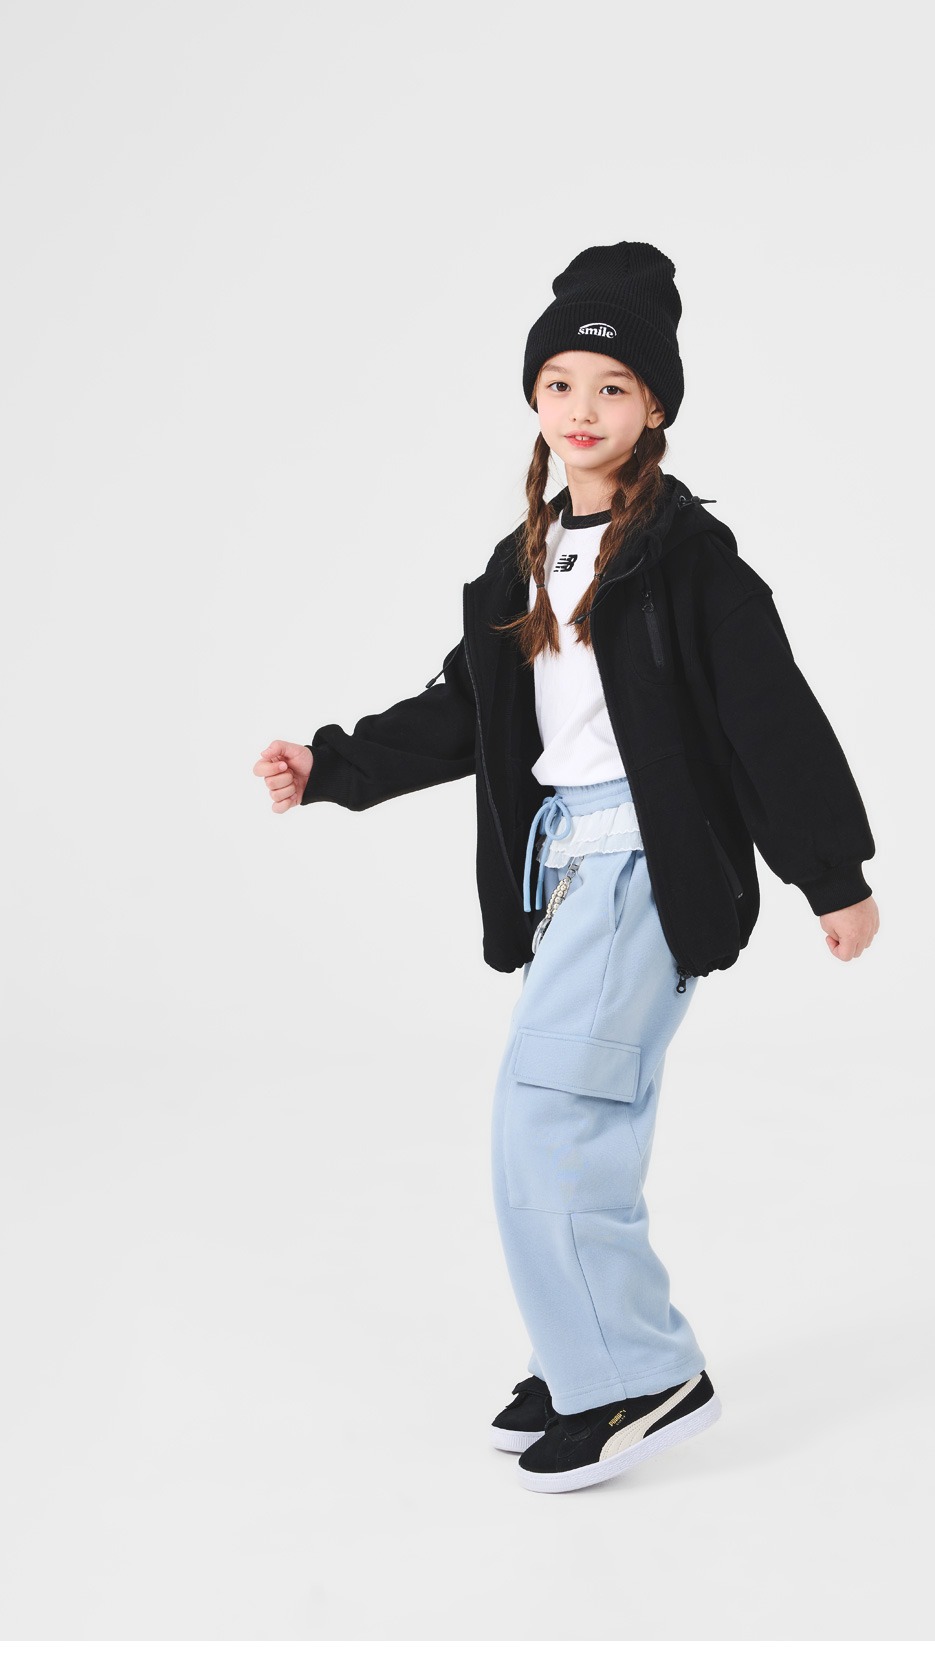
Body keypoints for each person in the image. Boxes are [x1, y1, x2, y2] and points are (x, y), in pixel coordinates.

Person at [252, 241, 879, 1494]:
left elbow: (768, 712)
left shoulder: (686, 556)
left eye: (611, 387)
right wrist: (332, 766)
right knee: (550, 1114)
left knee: (557, 1113)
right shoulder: (528, 556)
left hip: (648, 861)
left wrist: (833, 875)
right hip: (570, 869)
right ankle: (583, 1348)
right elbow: (468, 709)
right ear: (534, 397)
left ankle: (641, 1372)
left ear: (654, 407)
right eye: (559, 384)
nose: (581, 409)